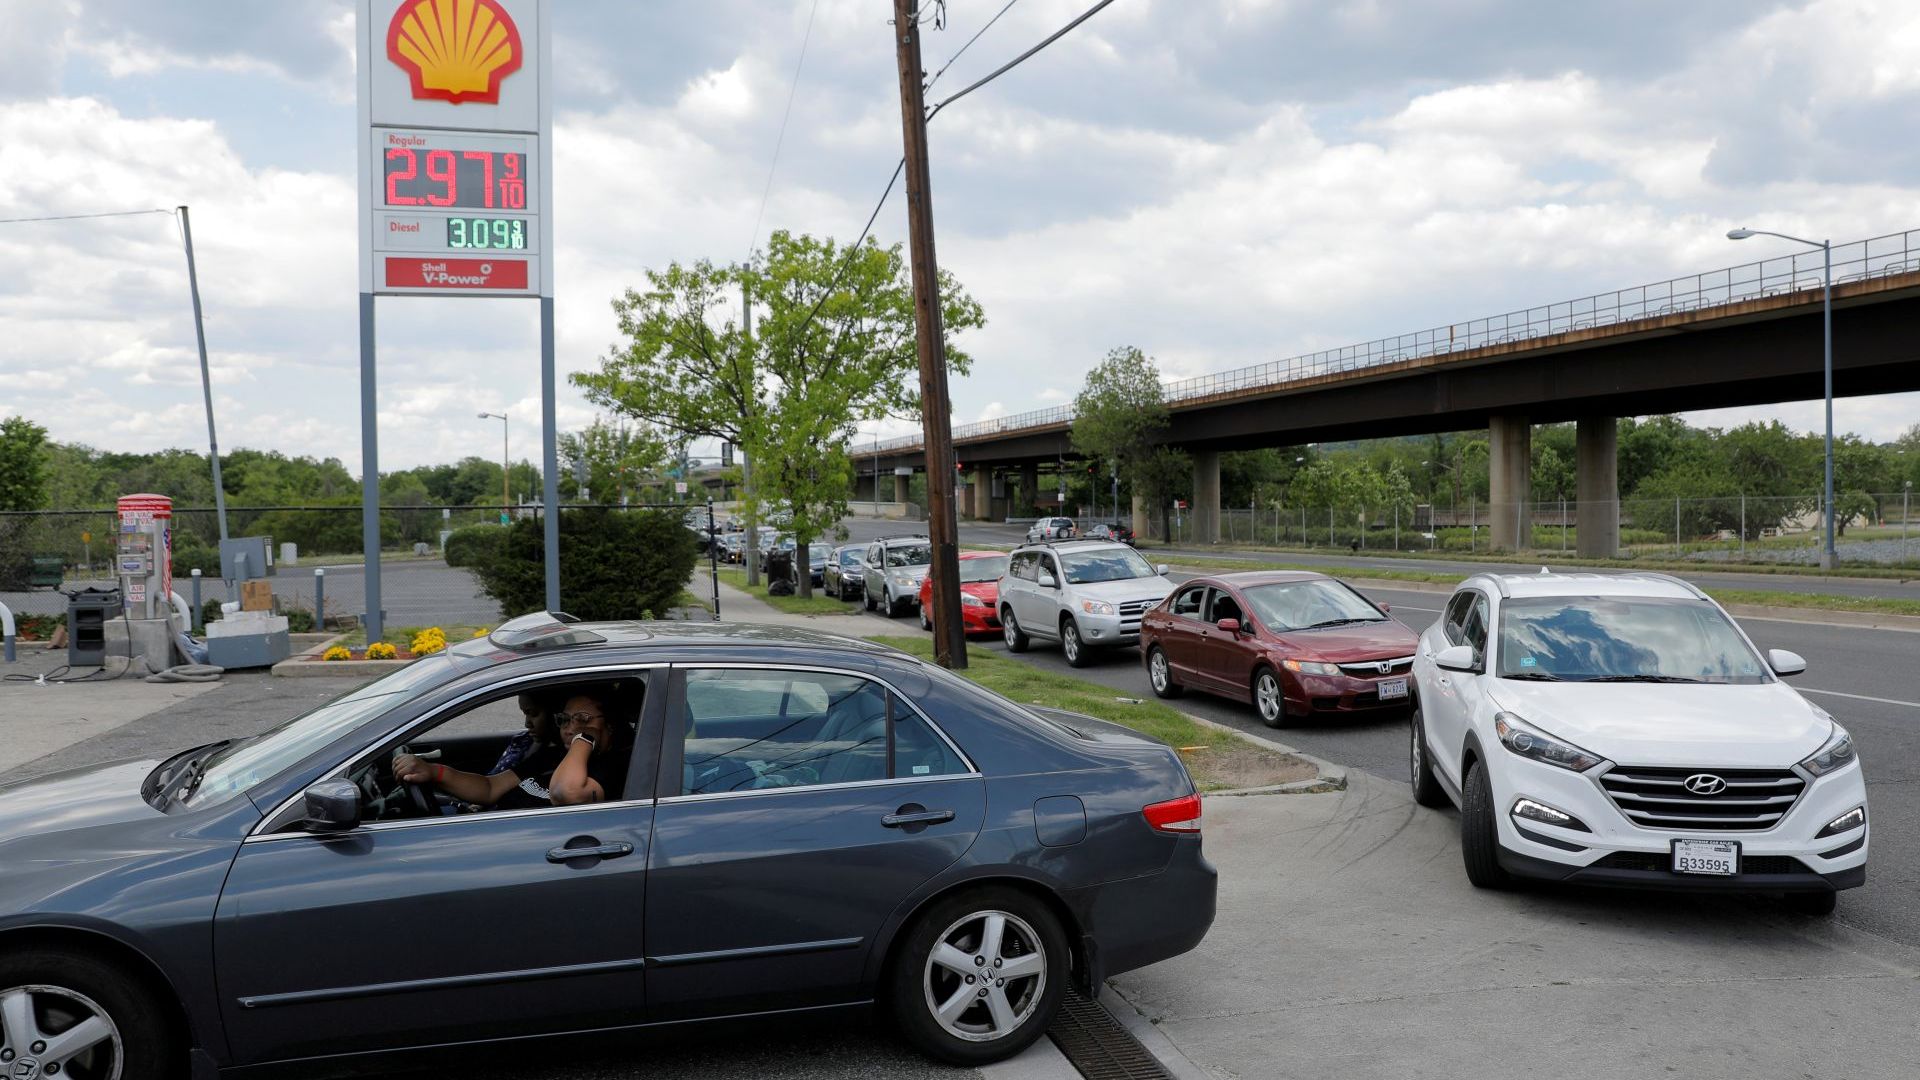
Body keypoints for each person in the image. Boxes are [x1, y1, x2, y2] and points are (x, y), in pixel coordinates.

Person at [393, 691, 629, 810]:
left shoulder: (614, 765)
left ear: (609, 725)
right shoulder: (554, 755)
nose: (570, 728)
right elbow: (489, 787)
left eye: (582, 719)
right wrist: (435, 772)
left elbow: (566, 793)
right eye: (565, 720)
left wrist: (584, 738)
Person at [486, 691, 557, 776]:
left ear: (555, 713)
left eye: (533, 714)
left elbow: (493, 785)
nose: (527, 724)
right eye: (525, 714)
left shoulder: (557, 758)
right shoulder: (522, 740)